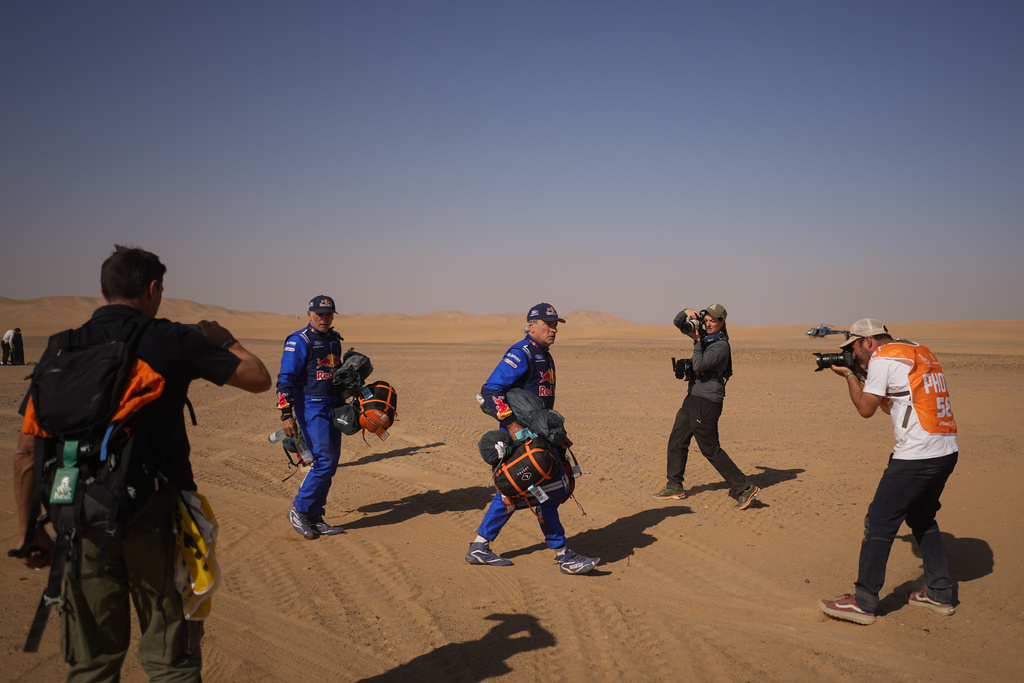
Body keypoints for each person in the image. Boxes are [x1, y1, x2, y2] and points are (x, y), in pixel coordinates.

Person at [11, 245, 272, 681]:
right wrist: (225, 339)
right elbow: (258, 378)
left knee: (91, 664)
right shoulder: (170, 338)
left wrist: (29, 532)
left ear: (102, 290)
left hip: (78, 519)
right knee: (171, 661)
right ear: (153, 289)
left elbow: (24, 454)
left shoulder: (62, 348)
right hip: (153, 518)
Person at [819, 319, 959, 626]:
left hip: (917, 455)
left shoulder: (882, 358)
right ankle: (939, 593)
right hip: (946, 450)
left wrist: (850, 378)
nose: (852, 356)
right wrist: (862, 375)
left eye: (853, 348)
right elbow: (891, 404)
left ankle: (864, 601)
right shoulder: (919, 350)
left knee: (879, 522)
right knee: (922, 518)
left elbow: (866, 410)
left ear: (868, 341)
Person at [466, 303, 600, 575]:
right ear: (531, 325)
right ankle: (564, 556)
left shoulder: (544, 354)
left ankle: (480, 546)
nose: (554, 330)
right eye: (548, 325)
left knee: (519, 493)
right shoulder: (522, 353)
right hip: (522, 439)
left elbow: (539, 408)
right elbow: (491, 389)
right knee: (531, 492)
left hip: (540, 437)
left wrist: (557, 436)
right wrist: (511, 424)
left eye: (556, 325)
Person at [654, 304, 760, 509]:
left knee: (710, 448)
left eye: (713, 321)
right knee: (677, 439)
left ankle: (745, 488)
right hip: (693, 397)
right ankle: (674, 485)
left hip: (708, 401)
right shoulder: (703, 335)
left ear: (722, 322)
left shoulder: (721, 345)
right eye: (706, 320)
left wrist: (696, 342)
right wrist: (687, 311)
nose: (708, 324)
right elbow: (678, 322)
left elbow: (700, 365)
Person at [277, 295, 347, 539]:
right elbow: (285, 380)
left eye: (328, 315)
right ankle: (299, 509)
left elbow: (334, 373)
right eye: (319, 314)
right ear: (309, 314)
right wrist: (286, 414)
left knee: (331, 463)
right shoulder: (299, 341)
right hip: (311, 407)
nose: (324, 319)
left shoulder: (334, 340)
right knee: (324, 460)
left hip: (334, 407)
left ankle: (315, 516)